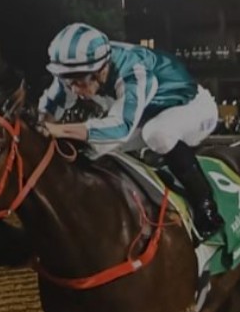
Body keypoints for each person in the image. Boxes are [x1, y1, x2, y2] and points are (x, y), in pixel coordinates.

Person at [39, 22, 224, 244]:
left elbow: (120, 129)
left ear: (101, 70)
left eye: (79, 82)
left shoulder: (133, 71)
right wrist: (40, 126)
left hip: (192, 107)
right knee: (93, 150)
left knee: (157, 133)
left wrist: (59, 130)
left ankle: (206, 208)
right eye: (68, 81)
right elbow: (48, 111)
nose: (73, 89)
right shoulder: (78, 68)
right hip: (146, 114)